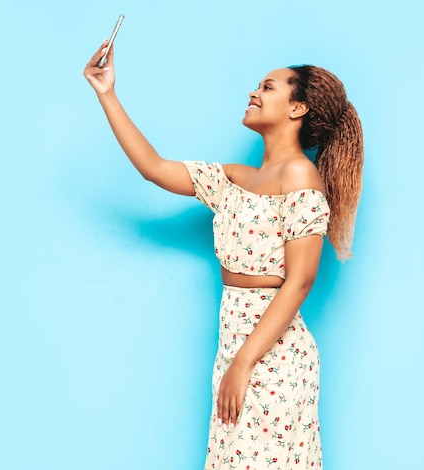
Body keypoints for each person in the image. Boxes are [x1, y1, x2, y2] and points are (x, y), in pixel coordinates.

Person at [83, 39, 363, 469]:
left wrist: (244, 362)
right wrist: (107, 93)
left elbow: (301, 281)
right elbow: (154, 168)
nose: (254, 92)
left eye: (268, 87)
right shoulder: (235, 179)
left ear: (297, 108)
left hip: (273, 357)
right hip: (234, 347)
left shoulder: (301, 175)